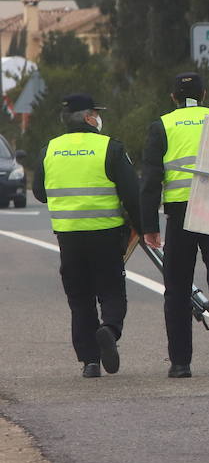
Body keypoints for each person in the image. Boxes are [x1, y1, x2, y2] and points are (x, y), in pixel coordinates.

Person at [31, 93, 142, 378]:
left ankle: (90, 362)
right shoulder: (109, 148)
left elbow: (40, 194)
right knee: (111, 291)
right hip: (105, 234)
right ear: (89, 118)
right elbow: (132, 194)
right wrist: (144, 227)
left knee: (80, 299)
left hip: (68, 237)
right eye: (95, 112)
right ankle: (109, 329)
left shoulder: (49, 150)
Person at [140, 72, 209, 379]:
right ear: (204, 94)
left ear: (173, 98)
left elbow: (151, 181)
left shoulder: (163, 125)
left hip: (180, 214)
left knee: (177, 289)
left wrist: (149, 226)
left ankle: (181, 363)